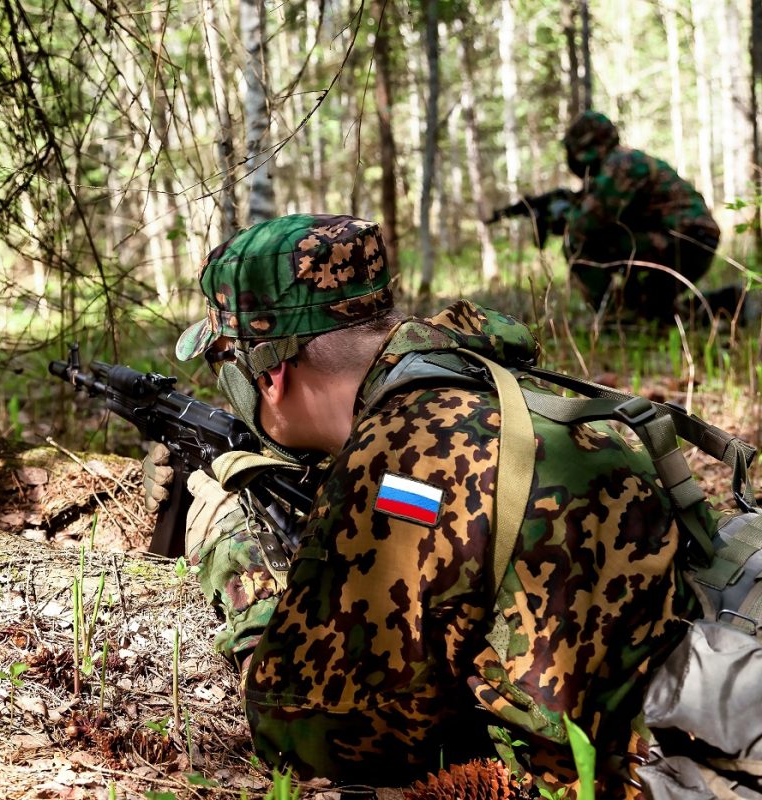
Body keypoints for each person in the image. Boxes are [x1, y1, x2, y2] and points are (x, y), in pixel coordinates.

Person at [168, 213, 697, 798]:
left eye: (225, 365)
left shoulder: (396, 452)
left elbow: (305, 731)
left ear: (269, 374)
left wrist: (240, 567)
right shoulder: (504, 390)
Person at [561, 111, 721, 320]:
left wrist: (561, 217)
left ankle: (613, 317)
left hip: (683, 241)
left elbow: (586, 224)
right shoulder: (625, 161)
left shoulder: (621, 163)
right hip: (690, 240)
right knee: (651, 312)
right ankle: (728, 303)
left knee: (576, 243)